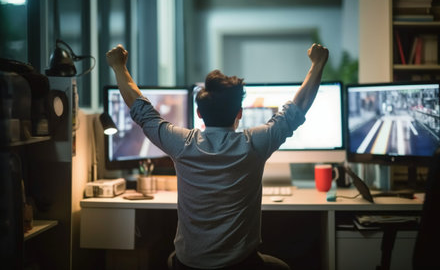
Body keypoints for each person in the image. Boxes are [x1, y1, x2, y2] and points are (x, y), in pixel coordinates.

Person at [106, 43, 329, 269]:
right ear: (239, 113)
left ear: (199, 113)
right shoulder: (254, 145)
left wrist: (118, 67)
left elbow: (143, 113)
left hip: (188, 264)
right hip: (241, 264)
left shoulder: (182, 143)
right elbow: (296, 111)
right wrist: (317, 64)